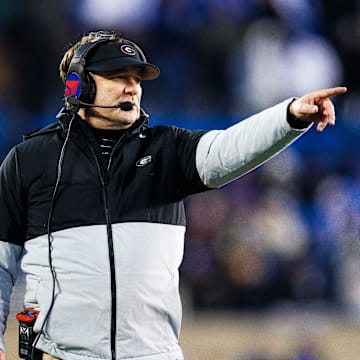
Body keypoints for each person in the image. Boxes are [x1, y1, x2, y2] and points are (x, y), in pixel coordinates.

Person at [0, 30, 347, 360]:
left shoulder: (167, 150)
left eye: (137, 79)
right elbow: (1, 261)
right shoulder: (31, 161)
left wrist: (288, 117)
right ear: (78, 85)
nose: (132, 89)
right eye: (118, 77)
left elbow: (227, 149)